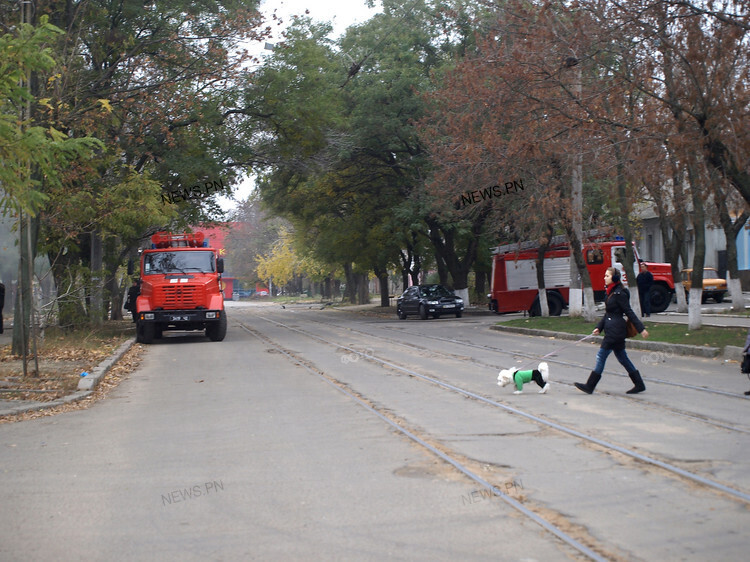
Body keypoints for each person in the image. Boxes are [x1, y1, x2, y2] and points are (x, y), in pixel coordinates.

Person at [575, 267, 649, 394]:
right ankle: (639, 384)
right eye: (605, 275)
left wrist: (641, 329)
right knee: (622, 358)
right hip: (612, 330)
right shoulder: (611, 292)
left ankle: (590, 385)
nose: (604, 278)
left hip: (615, 332)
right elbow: (608, 314)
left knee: (601, 356)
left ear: (614, 278)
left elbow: (629, 312)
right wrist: (599, 327)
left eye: (607, 276)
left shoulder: (620, 294)